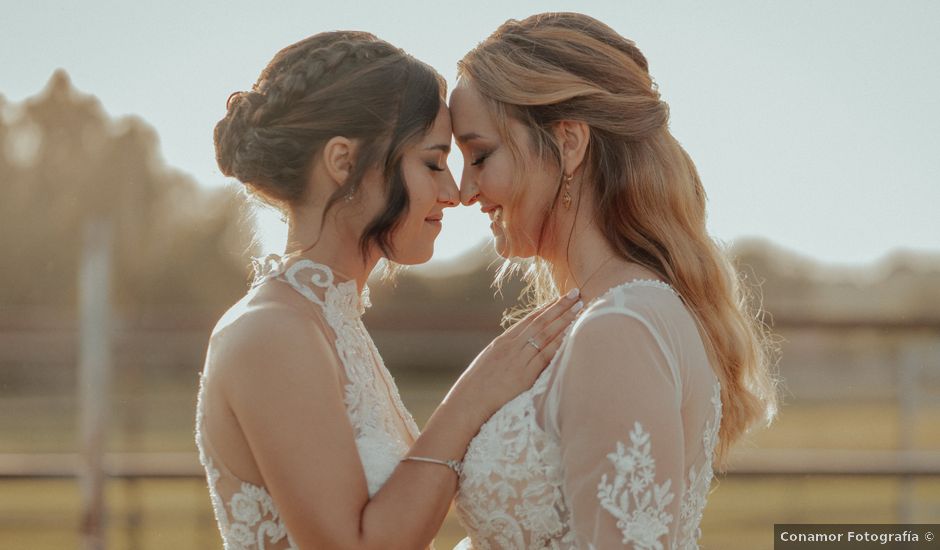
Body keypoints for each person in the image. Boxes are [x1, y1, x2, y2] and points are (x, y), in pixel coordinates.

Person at [195, 31, 583, 550]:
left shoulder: (330, 323)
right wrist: (473, 397)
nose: (452, 192)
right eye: (431, 163)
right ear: (343, 162)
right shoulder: (271, 332)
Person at [448, 12, 779, 549]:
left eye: (481, 155)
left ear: (569, 143)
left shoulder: (619, 328)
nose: (465, 191)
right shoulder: (611, 313)